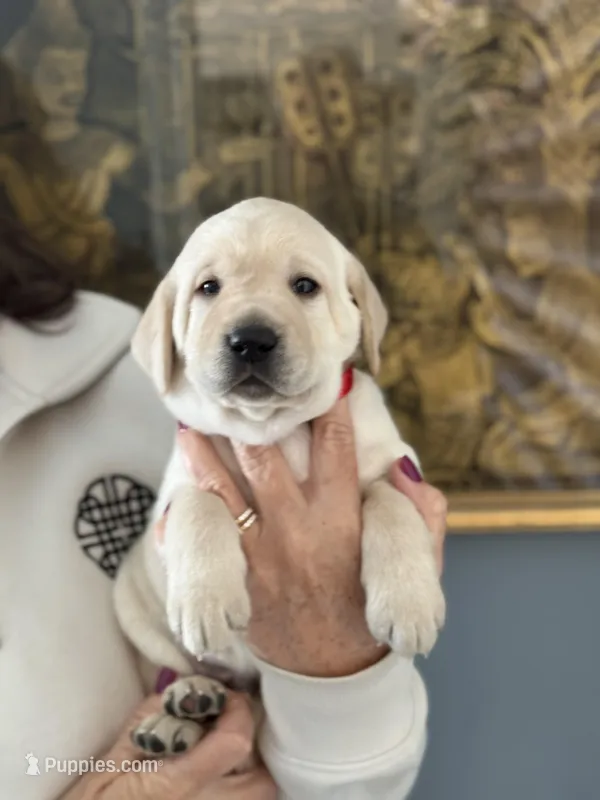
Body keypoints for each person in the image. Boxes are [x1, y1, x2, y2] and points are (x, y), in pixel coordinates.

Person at [0, 215, 447, 799]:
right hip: (173, 669)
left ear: (360, 315)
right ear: (174, 321)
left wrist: (343, 654)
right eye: (210, 287)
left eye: (305, 286)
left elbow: (355, 787)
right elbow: (185, 506)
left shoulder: (116, 372)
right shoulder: (175, 376)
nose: (252, 329)